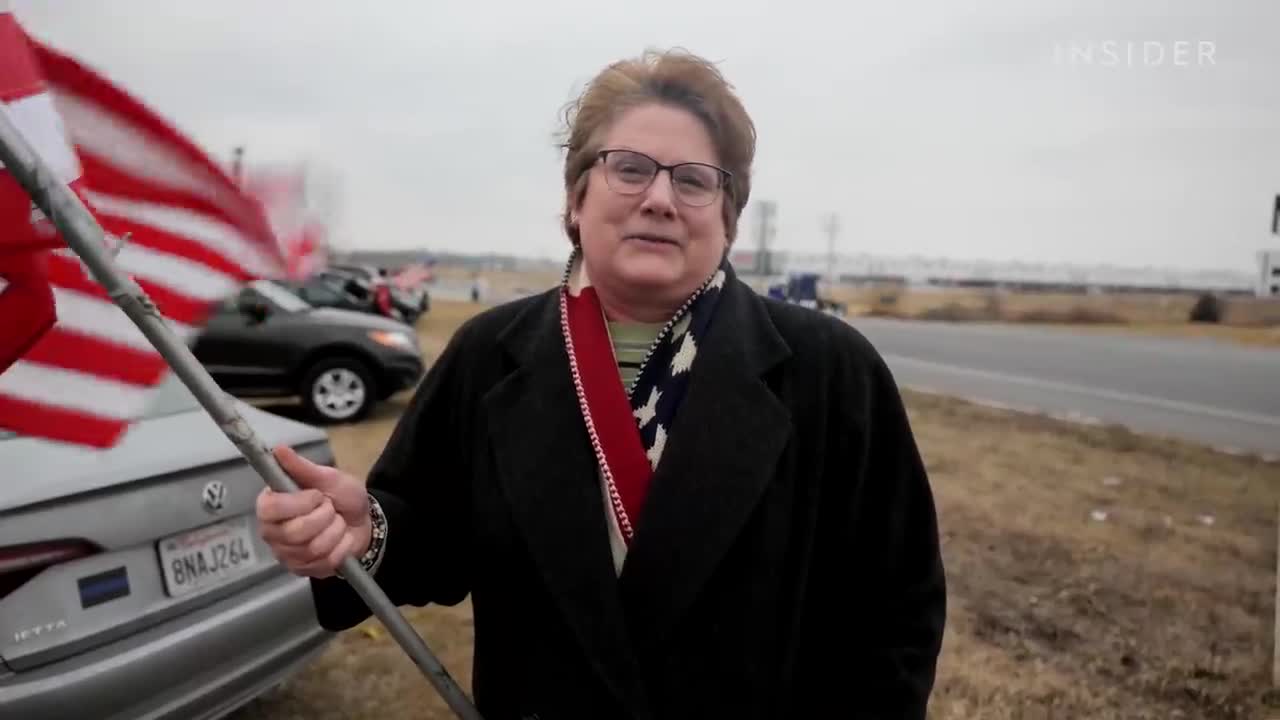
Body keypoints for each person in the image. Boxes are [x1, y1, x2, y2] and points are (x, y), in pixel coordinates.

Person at [257, 48, 946, 719]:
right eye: (630, 169)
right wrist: (366, 531)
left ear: (728, 214)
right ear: (576, 194)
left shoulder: (830, 371)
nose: (659, 199)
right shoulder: (490, 356)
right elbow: (428, 540)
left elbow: (898, 610)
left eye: (694, 180)